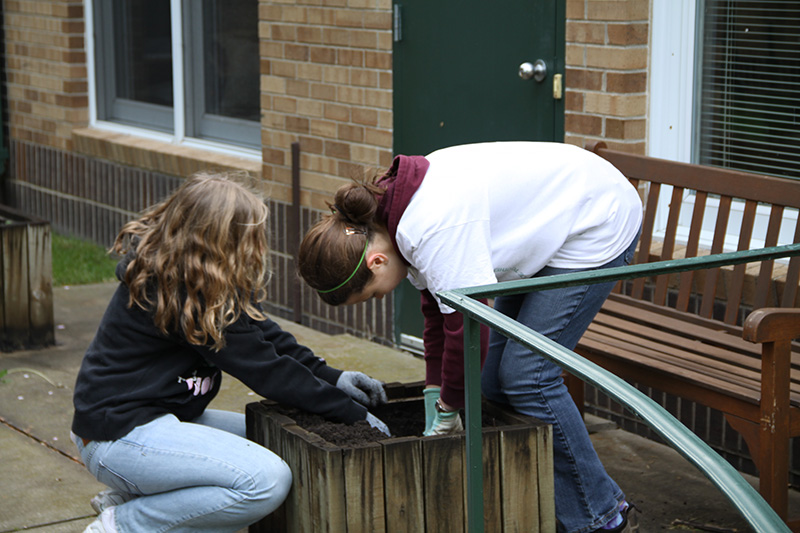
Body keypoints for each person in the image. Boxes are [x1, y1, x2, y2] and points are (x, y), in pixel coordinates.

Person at [297, 141, 643, 533]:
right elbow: (436, 312)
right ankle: (551, 501)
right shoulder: (391, 217)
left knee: (528, 377)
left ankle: (601, 515)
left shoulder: (431, 226)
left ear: (376, 262)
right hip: (552, 222)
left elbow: (467, 331)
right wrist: (433, 391)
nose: (383, 295)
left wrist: (448, 408)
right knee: (494, 383)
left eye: (374, 293)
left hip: (595, 222)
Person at [71, 171, 390, 533]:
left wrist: (333, 377)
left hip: (163, 419)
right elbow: (267, 370)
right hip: (116, 436)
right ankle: (124, 525)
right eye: (250, 237)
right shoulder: (181, 295)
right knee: (265, 481)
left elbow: (268, 337)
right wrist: (351, 413)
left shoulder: (203, 284)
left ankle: (139, 499)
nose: (258, 247)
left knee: (282, 438)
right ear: (218, 242)